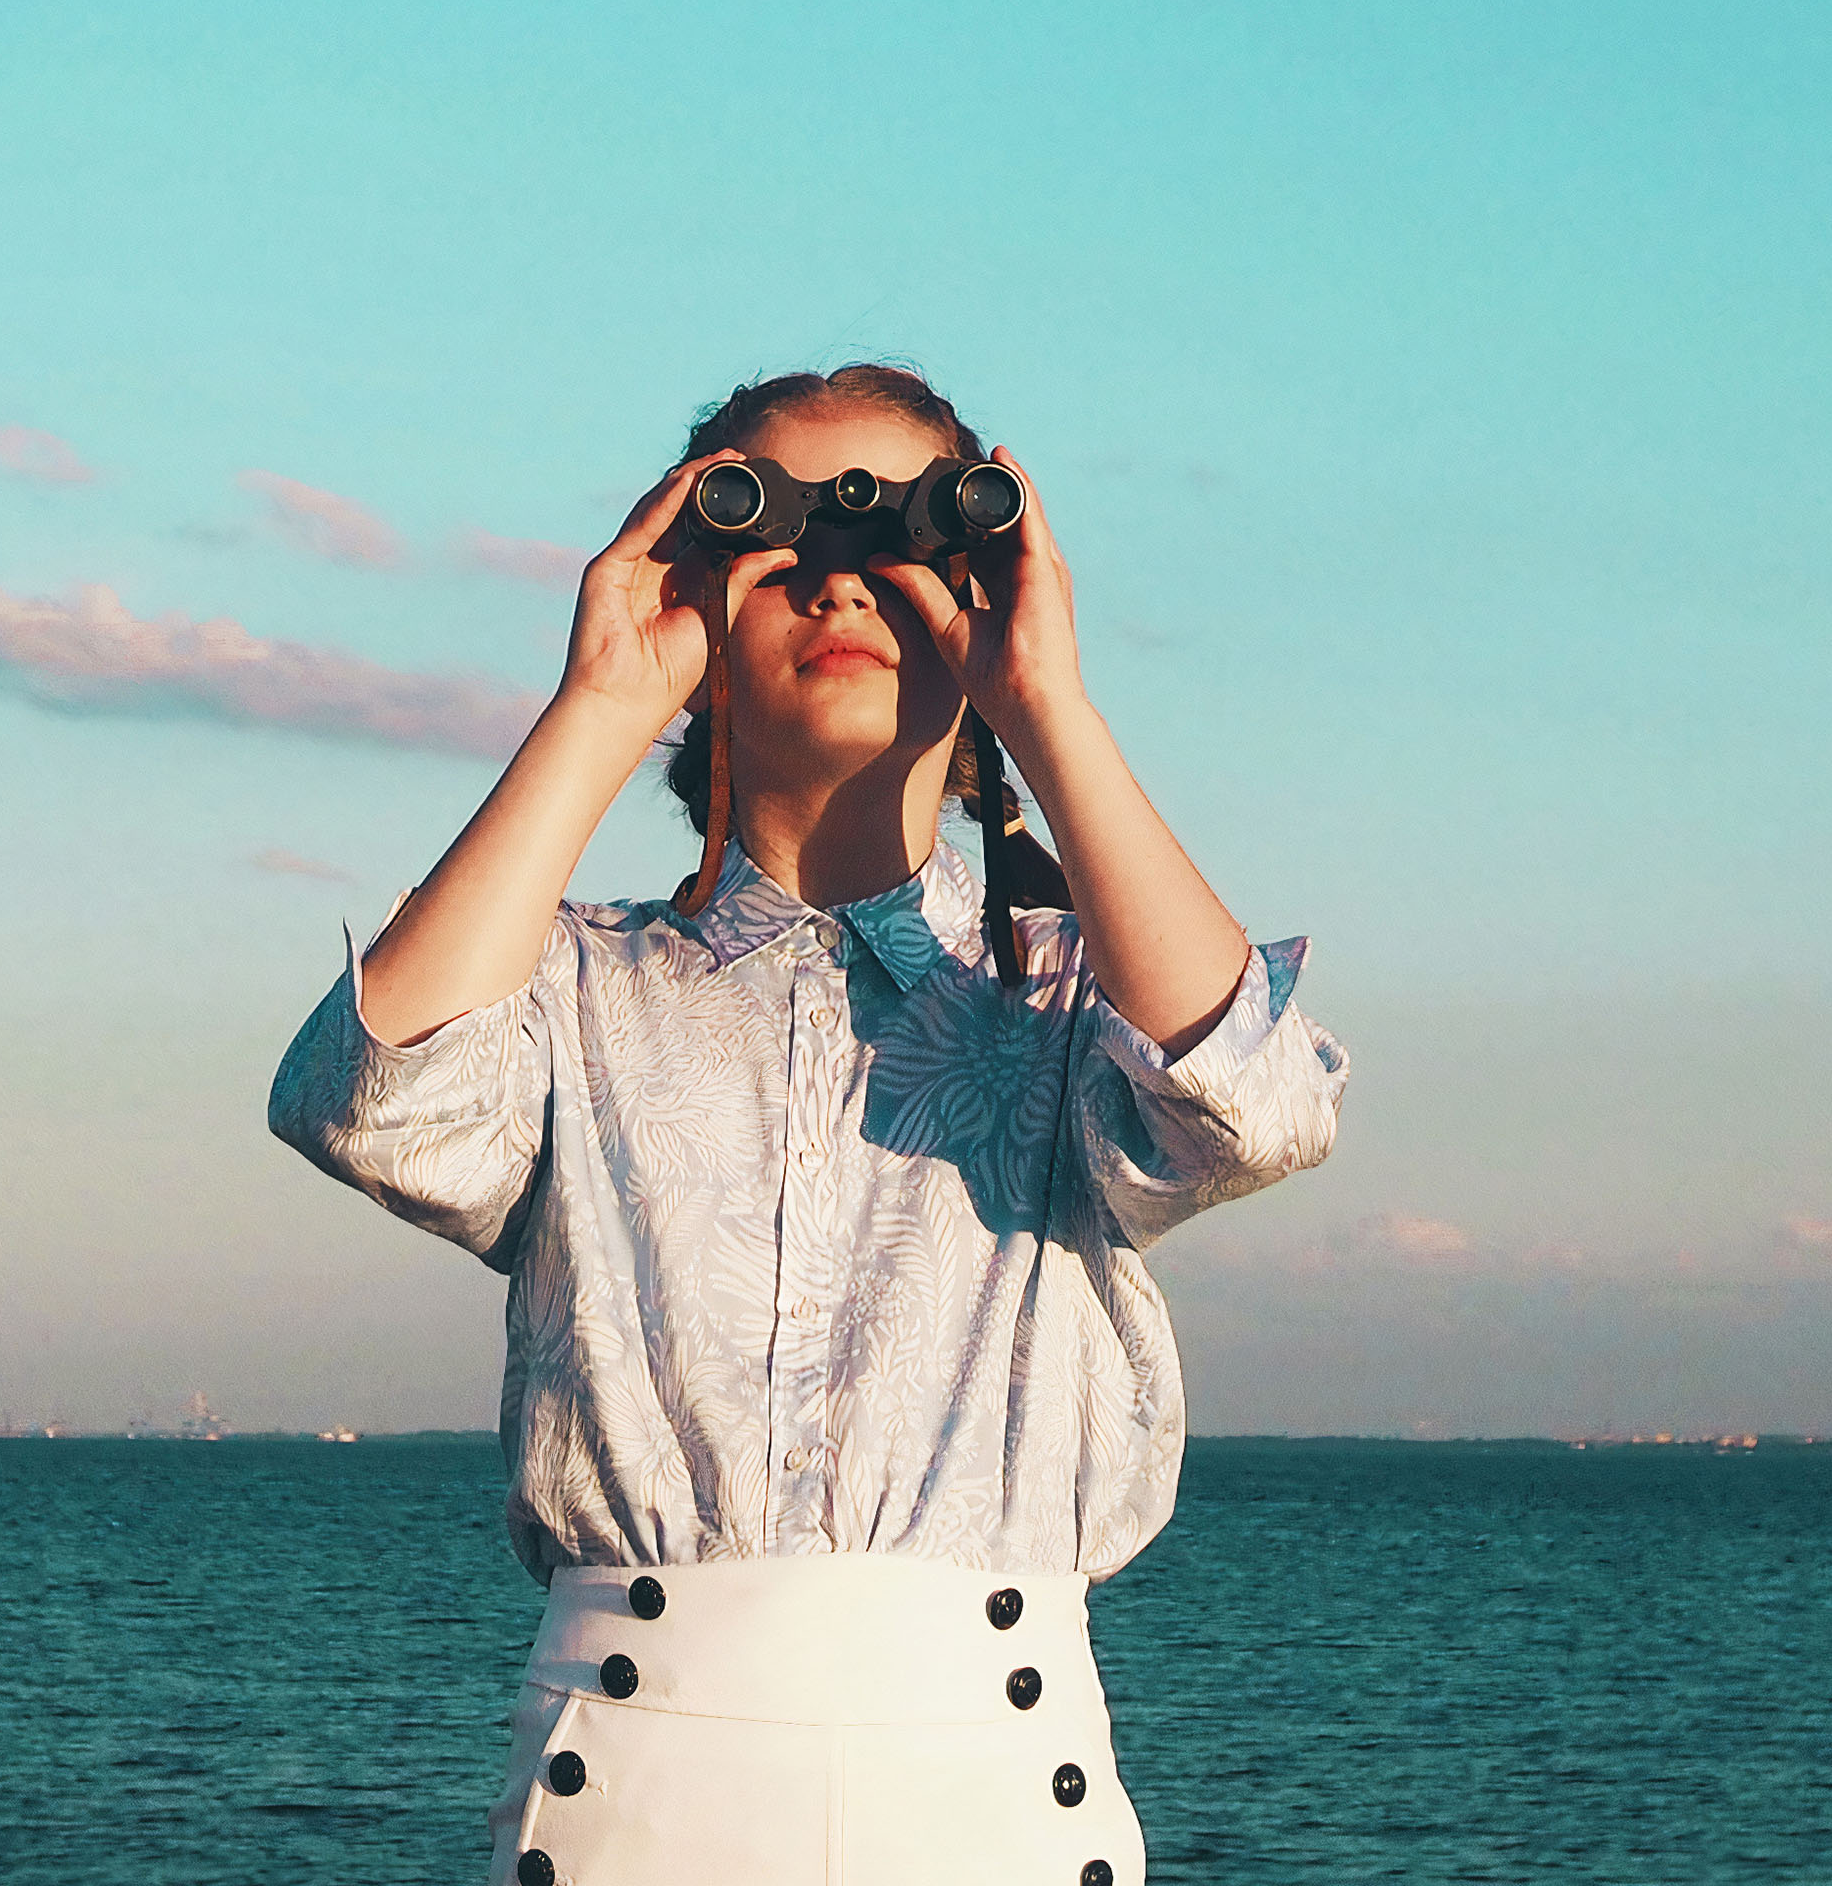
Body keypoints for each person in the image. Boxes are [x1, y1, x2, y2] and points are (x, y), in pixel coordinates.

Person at [270, 363, 1350, 1885]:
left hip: (991, 1779)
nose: (843, 576)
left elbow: (1254, 1104)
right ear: (698, 593)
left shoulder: (1065, 994)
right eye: (769, 530)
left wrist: (1047, 706)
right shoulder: (572, 985)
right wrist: (597, 707)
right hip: (632, 1790)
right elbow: (370, 1104)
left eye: (908, 536)